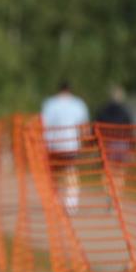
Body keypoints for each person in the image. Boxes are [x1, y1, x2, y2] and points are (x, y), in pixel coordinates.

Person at [41, 81, 90, 214]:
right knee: (71, 171)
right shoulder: (78, 103)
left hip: (53, 145)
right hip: (71, 144)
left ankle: (54, 201)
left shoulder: (50, 103)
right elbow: (84, 127)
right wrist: (86, 141)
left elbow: (44, 125)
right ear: (69, 90)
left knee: (54, 174)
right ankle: (71, 203)